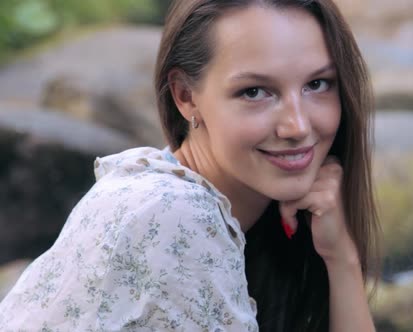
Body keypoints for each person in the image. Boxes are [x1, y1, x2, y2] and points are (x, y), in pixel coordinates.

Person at [0, 0, 381, 331]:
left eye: (317, 84)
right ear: (185, 97)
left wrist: (341, 258)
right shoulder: (173, 214)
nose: (297, 126)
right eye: (254, 92)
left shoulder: (202, 208)